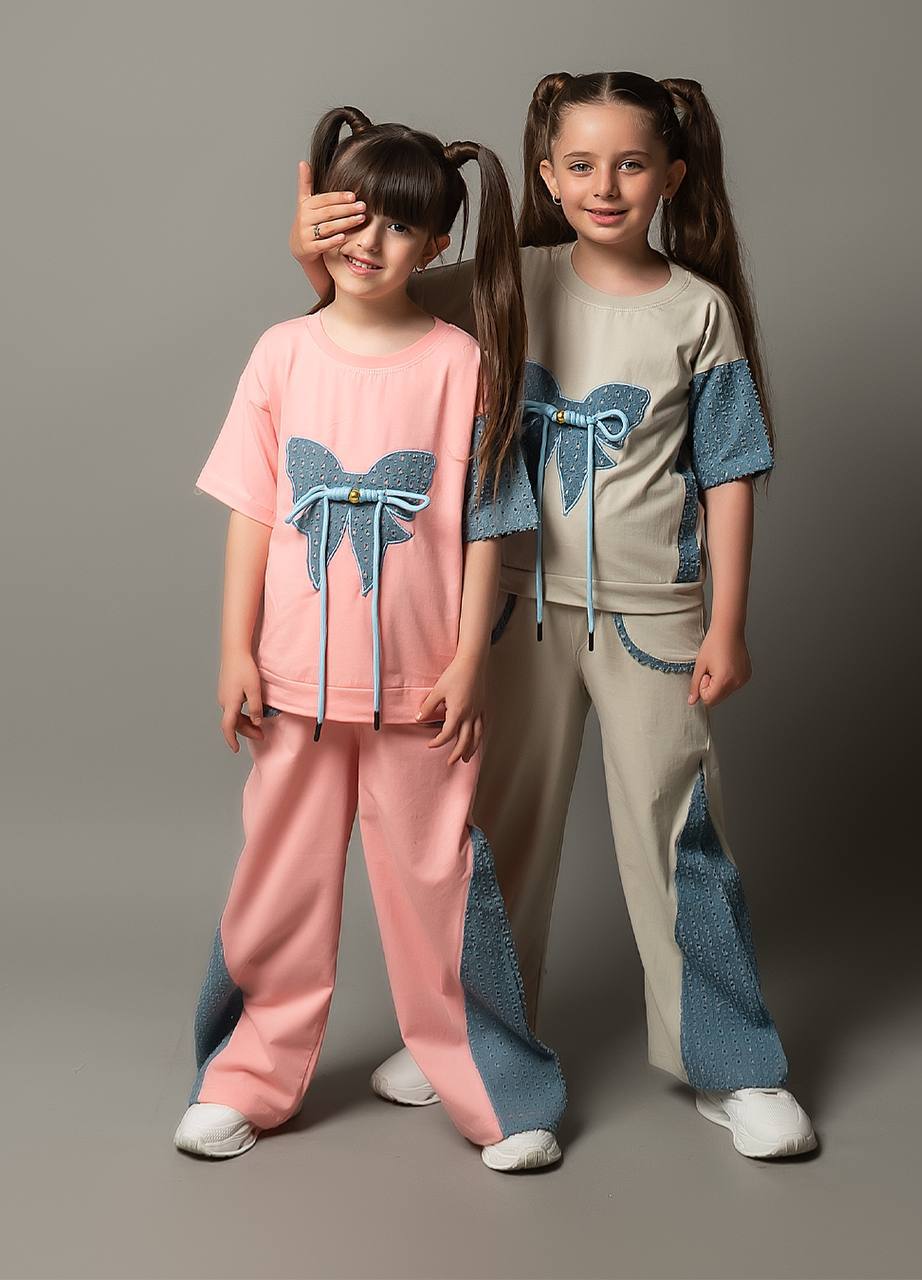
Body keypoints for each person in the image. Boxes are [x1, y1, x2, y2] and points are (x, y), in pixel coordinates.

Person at [291, 73, 817, 1161]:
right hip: (508, 617)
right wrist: (310, 254)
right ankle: (471, 1046)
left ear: (672, 175)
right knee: (489, 834)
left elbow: (728, 472)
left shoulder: (698, 310)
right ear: (545, 175)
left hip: (654, 620)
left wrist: (727, 623)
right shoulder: (509, 280)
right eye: (580, 165)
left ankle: (732, 1063)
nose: (604, 185)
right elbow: (367, 305)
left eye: (630, 164)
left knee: (679, 831)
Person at [174, 105, 565, 1173]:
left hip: (423, 688)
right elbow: (252, 511)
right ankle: (245, 1077)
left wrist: (469, 660)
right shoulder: (281, 353)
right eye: (354, 217)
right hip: (293, 683)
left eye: (399, 227)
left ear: (435, 246)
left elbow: (486, 521)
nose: (370, 243)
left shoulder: (461, 364)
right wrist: (235, 650)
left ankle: (494, 1090)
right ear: (324, 220)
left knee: (441, 889)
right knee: (279, 885)